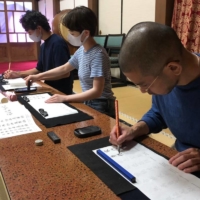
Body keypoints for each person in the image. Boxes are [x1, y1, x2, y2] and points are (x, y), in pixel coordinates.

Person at [109, 21, 200, 173]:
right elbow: (159, 114)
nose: (143, 91)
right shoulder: (167, 81)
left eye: (145, 85)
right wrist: (134, 129)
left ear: (173, 68)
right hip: (181, 161)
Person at [25, 6, 115, 118]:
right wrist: (37, 76)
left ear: (85, 33)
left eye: (72, 34)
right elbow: (64, 68)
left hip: (101, 104)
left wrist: (65, 98)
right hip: (88, 101)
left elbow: (97, 91)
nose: (69, 37)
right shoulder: (82, 50)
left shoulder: (98, 54)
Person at [3, 10, 73, 95]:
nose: (29, 35)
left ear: (39, 28)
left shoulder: (58, 43)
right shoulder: (43, 45)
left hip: (61, 92)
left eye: (30, 32)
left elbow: (65, 73)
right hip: (49, 88)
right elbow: (39, 69)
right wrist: (17, 74)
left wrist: (38, 77)